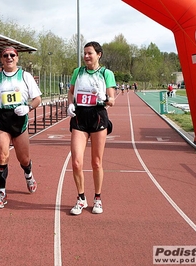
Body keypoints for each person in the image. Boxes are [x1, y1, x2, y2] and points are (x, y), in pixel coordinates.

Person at [0, 46, 42, 209]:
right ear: (1, 60)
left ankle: (28, 173)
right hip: (3, 120)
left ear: (17, 58)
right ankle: (2, 192)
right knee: (2, 156)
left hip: (20, 119)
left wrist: (29, 107)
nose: (9, 58)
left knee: (23, 159)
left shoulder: (25, 76)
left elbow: (37, 98)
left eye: (12, 55)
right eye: (5, 55)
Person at [67, 41, 116, 215]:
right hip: (79, 117)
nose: (86, 56)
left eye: (90, 53)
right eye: (85, 53)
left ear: (99, 55)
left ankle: (97, 198)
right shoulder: (77, 72)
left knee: (96, 162)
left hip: (97, 117)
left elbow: (112, 100)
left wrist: (103, 97)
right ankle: (81, 198)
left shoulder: (106, 73)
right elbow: (71, 91)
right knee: (76, 162)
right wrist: (70, 104)